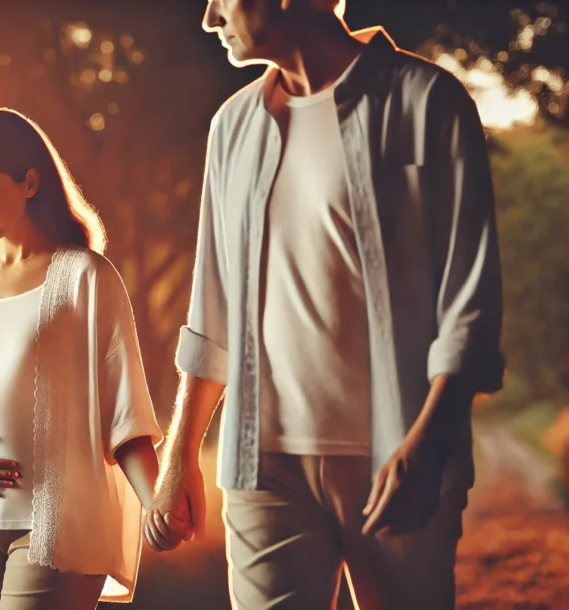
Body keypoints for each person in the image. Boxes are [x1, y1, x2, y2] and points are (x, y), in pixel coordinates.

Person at [144, 1, 504, 609]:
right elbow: (213, 309)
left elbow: (469, 297)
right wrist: (179, 455)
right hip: (264, 467)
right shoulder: (233, 126)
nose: (208, 19)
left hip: (398, 460)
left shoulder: (425, 101)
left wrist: (430, 439)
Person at [0, 107, 163, 609]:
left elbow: (125, 411)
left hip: (57, 523)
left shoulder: (86, 276)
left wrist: (159, 505)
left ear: (30, 182)